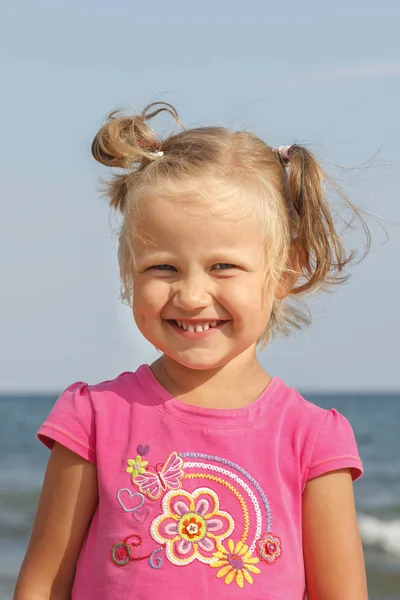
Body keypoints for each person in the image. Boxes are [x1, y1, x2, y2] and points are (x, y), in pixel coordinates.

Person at [13, 102, 369, 600]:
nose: (192, 295)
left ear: (285, 271)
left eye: (223, 266)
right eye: (163, 268)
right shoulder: (94, 418)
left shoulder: (312, 441)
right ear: (127, 273)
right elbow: (45, 581)